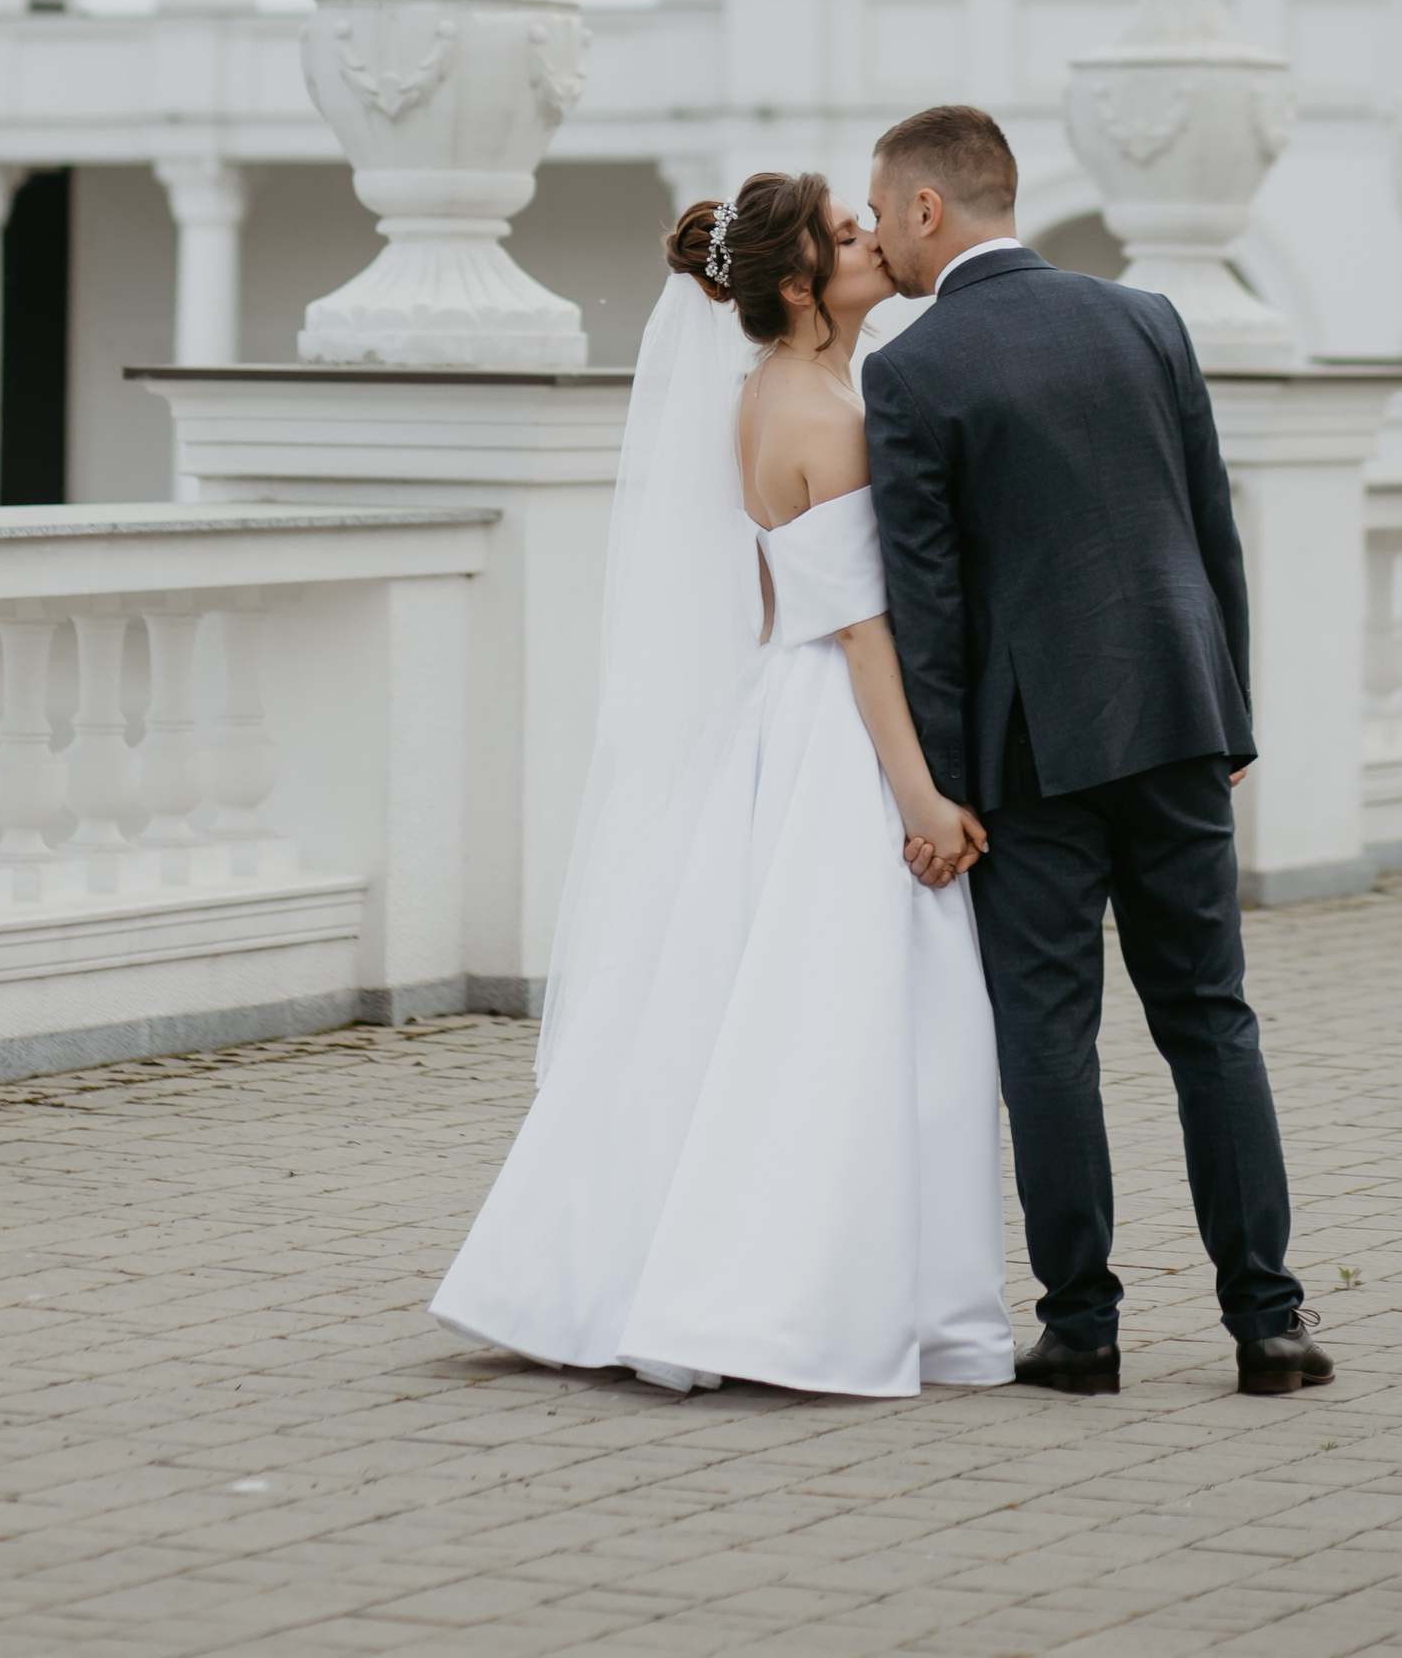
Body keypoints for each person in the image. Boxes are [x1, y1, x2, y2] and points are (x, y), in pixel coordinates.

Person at [431, 171, 1014, 1399]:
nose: (872, 245)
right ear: (802, 284)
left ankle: (636, 1268)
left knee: (726, 1008)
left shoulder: (755, 397)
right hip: (834, 732)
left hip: (771, 714)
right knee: (842, 1023)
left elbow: (770, 598)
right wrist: (916, 798)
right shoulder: (832, 416)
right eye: (849, 236)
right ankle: (784, 1300)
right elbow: (861, 633)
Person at [862, 102, 1333, 1398]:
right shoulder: (1146, 319)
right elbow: (1208, 525)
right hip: (1178, 717)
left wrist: (945, 789)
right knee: (1210, 1020)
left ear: (926, 208)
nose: (878, 238)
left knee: (1050, 1037)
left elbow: (932, 605)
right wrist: (1225, 705)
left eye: (880, 207)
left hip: (1030, 752)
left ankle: (1083, 1329)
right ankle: (1271, 1326)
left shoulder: (908, 370)